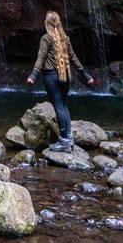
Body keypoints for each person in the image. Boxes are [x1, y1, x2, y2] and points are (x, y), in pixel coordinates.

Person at [27, 10, 94, 152]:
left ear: (47, 24)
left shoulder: (46, 38)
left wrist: (33, 74)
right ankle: (68, 138)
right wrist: (86, 75)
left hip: (51, 77)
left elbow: (41, 57)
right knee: (63, 105)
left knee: (58, 107)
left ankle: (63, 142)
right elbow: (73, 57)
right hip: (65, 75)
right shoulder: (65, 38)